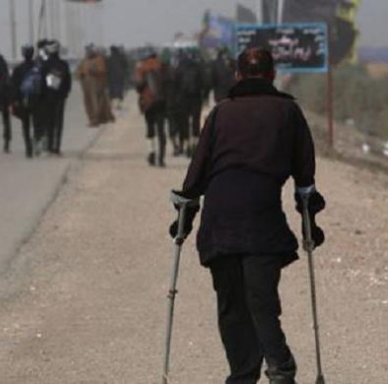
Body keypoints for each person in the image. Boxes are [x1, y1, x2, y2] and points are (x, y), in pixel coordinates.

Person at [170, 47, 326, 384]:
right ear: (272, 75)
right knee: (261, 302)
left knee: (231, 307)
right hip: (262, 221)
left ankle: (243, 376)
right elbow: (305, 181)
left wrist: (185, 217)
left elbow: (195, 176)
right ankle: (280, 369)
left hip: (219, 223)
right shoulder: (289, 112)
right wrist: (309, 221)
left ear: (237, 75)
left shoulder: (220, 114)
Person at [135, 48, 167, 167]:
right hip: (161, 102)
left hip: (148, 102)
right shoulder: (163, 67)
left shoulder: (142, 67)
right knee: (161, 130)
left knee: (150, 128)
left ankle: (152, 153)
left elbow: (138, 87)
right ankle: (161, 158)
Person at [42, 40, 72, 155]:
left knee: (49, 122)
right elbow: (67, 83)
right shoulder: (63, 64)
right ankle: (56, 147)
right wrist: (65, 94)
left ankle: (49, 146)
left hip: (48, 97)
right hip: (60, 97)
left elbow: (41, 82)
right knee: (58, 123)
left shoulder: (45, 65)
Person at [10, 44, 40, 158]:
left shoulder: (18, 69)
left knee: (26, 125)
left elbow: (13, 87)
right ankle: (36, 144)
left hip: (23, 100)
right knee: (37, 124)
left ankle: (28, 148)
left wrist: (15, 101)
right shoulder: (38, 67)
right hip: (37, 100)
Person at [75, 45, 114, 127]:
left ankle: (97, 119)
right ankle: (93, 118)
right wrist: (80, 73)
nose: (88, 52)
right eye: (87, 51)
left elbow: (102, 71)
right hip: (86, 87)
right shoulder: (84, 61)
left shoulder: (98, 59)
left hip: (97, 85)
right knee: (89, 103)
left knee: (97, 103)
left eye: (90, 50)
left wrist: (95, 71)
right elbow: (78, 72)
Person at [176, 48, 206, 156]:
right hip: (196, 97)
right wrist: (205, 96)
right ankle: (195, 144)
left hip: (183, 98)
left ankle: (186, 143)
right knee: (195, 121)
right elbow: (204, 83)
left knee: (184, 122)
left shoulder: (179, 68)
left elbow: (175, 84)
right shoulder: (198, 67)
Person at [107, 45, 128, 110]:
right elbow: (126, 65)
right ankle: (117, 105)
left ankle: (112, 105)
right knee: (118, 92)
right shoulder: (120, 57)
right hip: (118, 78)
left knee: (113, 93)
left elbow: (107, 68)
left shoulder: (110, 58)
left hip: (113, 78)